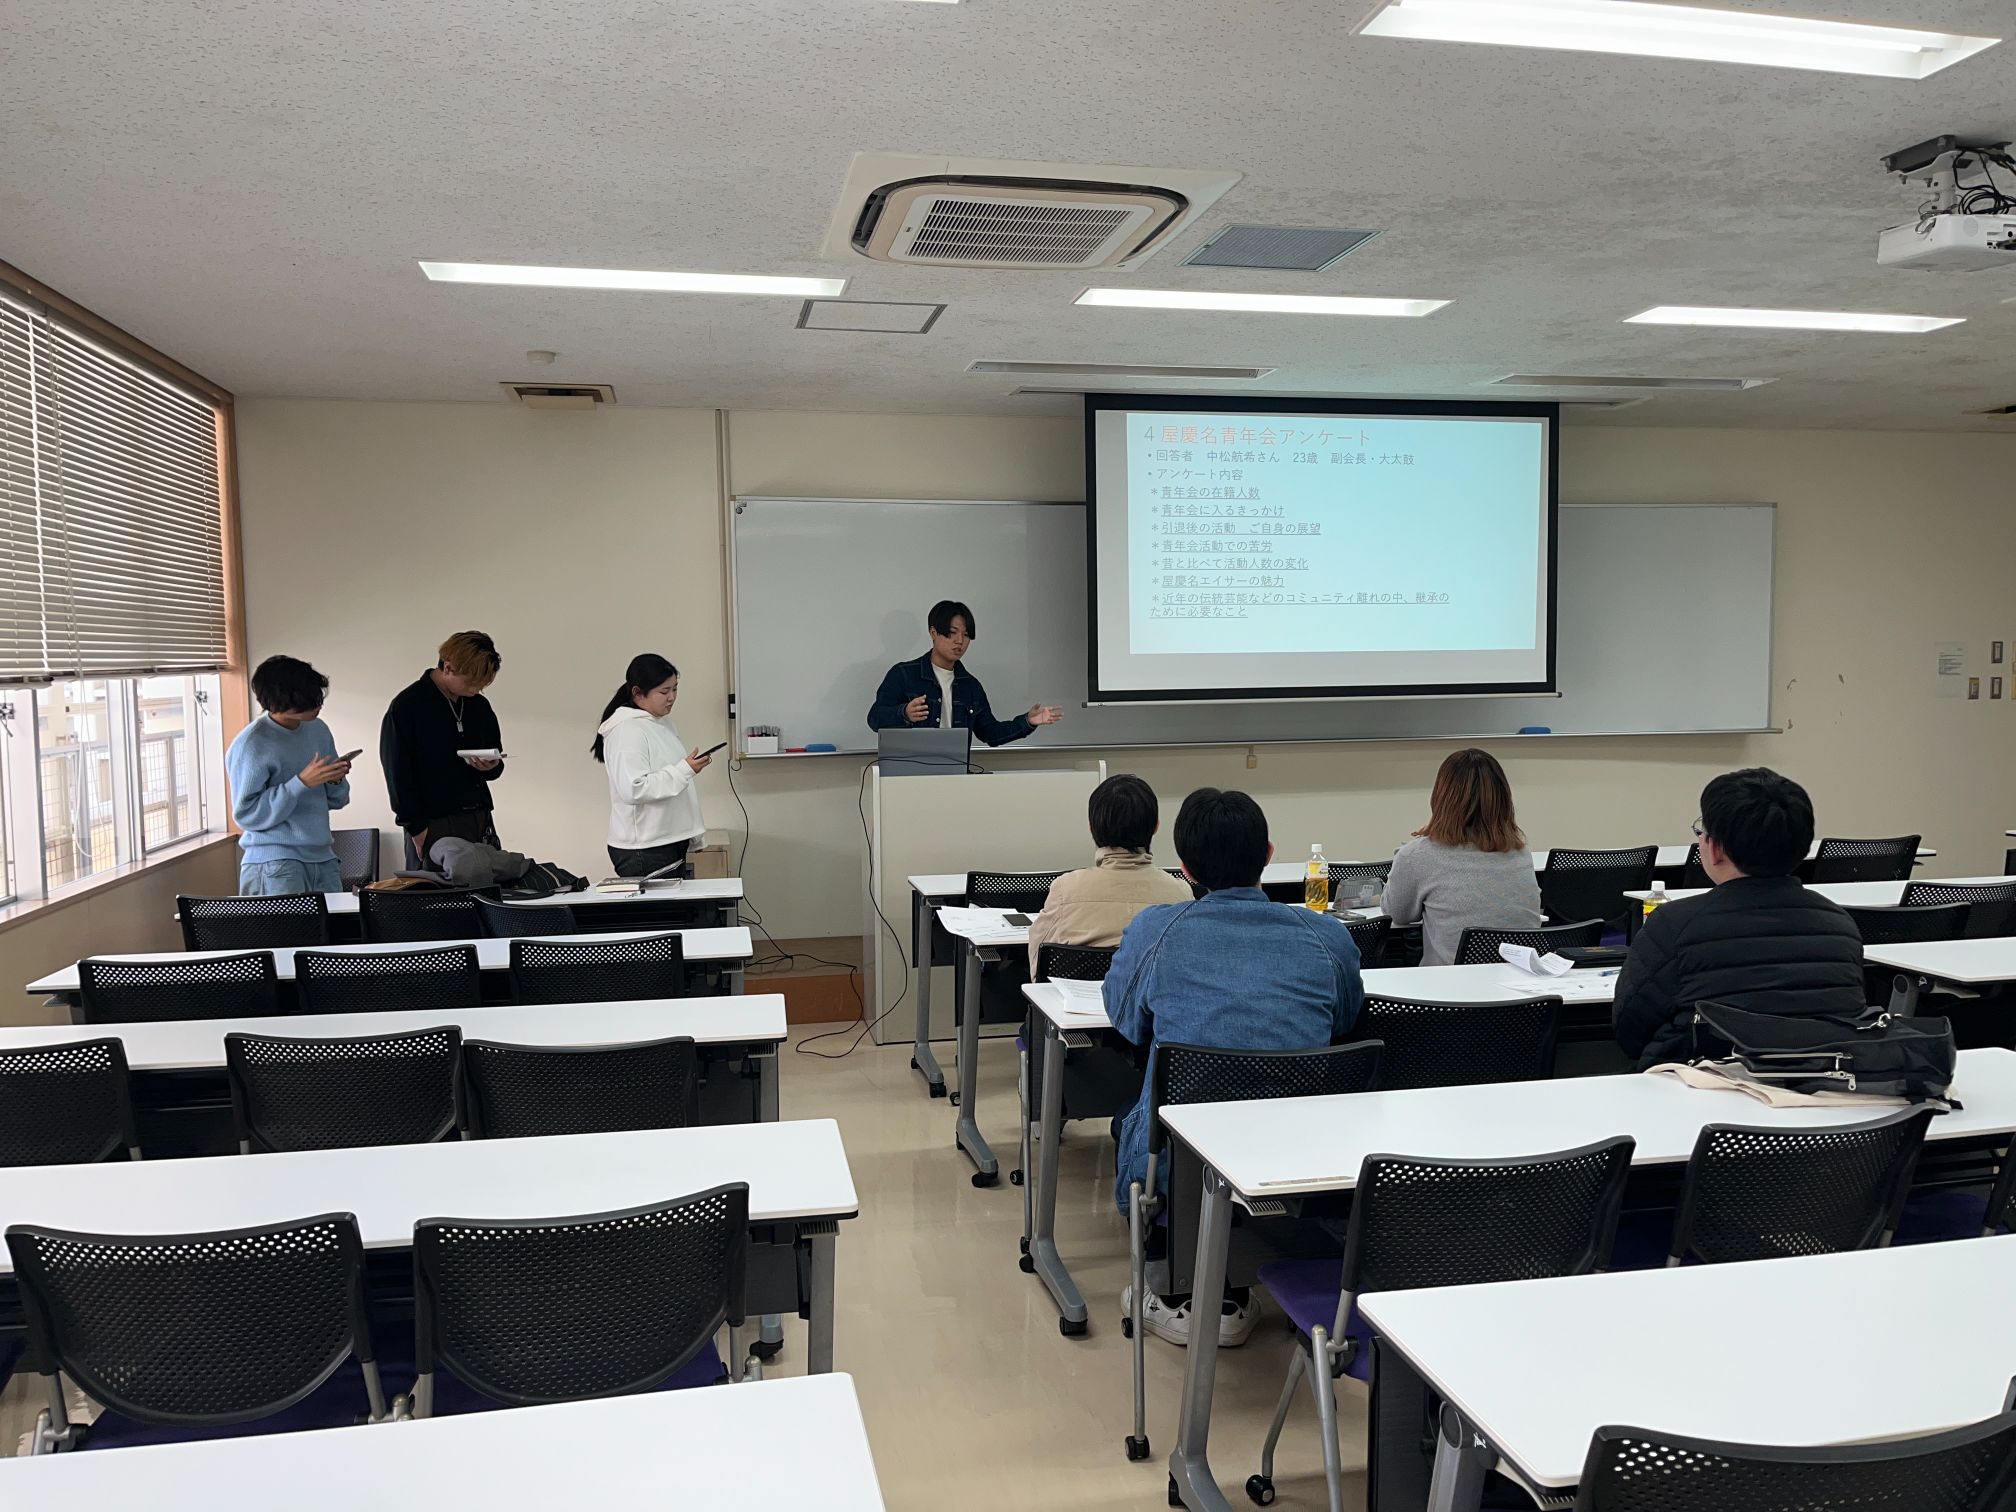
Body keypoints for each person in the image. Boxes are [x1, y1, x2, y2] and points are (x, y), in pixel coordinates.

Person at [1105, 787, 1364, 1347]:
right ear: (1268, 854)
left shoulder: (1156, 929)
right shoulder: (1328, 936)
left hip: (1187, 1158)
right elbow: (1346, 1020)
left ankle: (1173, 1289)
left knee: (1131, 1118)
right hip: (1304, 1152)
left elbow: (1125, 1022)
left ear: (1185, 868)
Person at [1613, 767, 1866, 1070]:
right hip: (1817, 1085)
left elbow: (1630, 1030)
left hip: (1698, 1084)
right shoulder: (1839, 924)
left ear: (1715, 848)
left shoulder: (1673, 925)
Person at [1382, 748, 1544, 966]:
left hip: (1449, 985)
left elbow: (1397, 914)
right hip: (1518, 982)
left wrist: (1412, 848)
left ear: (1440, 796)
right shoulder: (1520, 852)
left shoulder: (1416, 855)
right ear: (1504, 797)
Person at [1025, 774, 1194, 962]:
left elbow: (1038, 959)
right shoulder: (1181, 895)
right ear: (1156, 827)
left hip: (1081, 982)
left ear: (1091, 827)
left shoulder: (1065, 891)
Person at [226, 655, 352, 896]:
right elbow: (246, 815)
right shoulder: (252, 743)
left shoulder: (318, 729)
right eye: (308, 699)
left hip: (323, 858)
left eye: (317, 696)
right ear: (280, 701)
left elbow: (337, 800)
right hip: (274, 863)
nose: (317, 705)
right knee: (283, 925)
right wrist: (300, 783)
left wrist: (335, 778)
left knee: (336, 922)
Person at [381, 630, 505, 868]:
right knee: (434, 889)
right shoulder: (407, 706)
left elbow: (496, 759)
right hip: (432, 823)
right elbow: (397, 774)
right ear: (448, 667)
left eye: (481, 685)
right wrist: (416, 827)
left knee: (487, 887)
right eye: (470, 682)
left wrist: (491, 765)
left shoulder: (479, 706)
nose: (475, 690)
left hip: (478, 818)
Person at [865, 599, 1064, 746]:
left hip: (956, 776)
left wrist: (1028, 721)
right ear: (933, 633)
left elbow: (991, 733)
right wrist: (905, 713)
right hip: (910, 776)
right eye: (952, 633)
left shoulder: (970, 686)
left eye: (966, 635)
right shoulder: (903, 674)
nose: (960, 641)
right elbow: (874, 719)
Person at [593, 653, 710, 878]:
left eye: (675, 689)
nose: (672, 697)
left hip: (665, 842)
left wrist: (693, 835)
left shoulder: (660, 724)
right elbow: (634, 788)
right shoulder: (627, 730)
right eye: (664, 692)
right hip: (645, 849)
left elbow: (676, 785)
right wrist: (684, 769)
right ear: (637, 692)